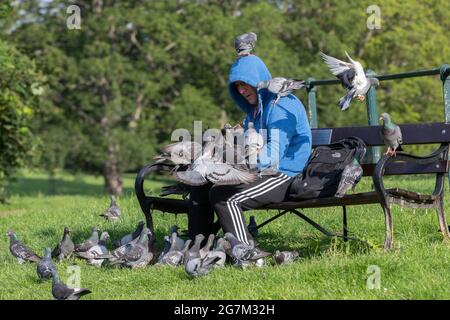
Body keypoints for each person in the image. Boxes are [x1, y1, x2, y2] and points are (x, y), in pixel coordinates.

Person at [188, 54, 312, 248]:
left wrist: (238, 165)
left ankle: (246, 252)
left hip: (284, 174)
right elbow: (244, 146)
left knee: (224, 196)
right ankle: (197, 248)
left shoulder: (282, 106)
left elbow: (273, 154)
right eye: (237, 86)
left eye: (245, 84)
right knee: (200, 182)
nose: (242, 90)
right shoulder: (254, 112)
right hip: (259, 170)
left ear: (259, 80)